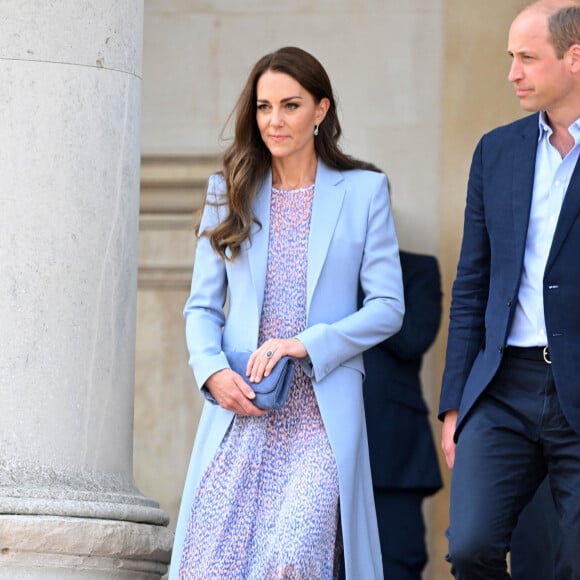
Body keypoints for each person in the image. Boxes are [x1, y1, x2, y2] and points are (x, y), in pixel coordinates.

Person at [169, 46, 404, 579]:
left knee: (293, 559)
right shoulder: (227, 190)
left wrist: (306, 343)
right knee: (212, 564)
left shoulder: (364, 191)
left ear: (321, 110)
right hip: (241, 405)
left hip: (320, 413)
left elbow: (389, 308)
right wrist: (211, 370)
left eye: (290, 105)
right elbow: (202, 306)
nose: (274, 120)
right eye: (263, 106)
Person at [439, 1, 580, 578]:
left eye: (526, 58)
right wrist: (453, 405)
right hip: (501, 388)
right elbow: (471, 284)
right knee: (470, 546)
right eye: (509, 58)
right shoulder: (495, 151)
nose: (512, 73)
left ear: (575, 58)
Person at [362, 250, 443, 579]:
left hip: (394, 454)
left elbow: (413, 338)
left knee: (397, 565)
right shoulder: (313, 267)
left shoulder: (417, 269)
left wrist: (365, 282)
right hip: (318, 446)